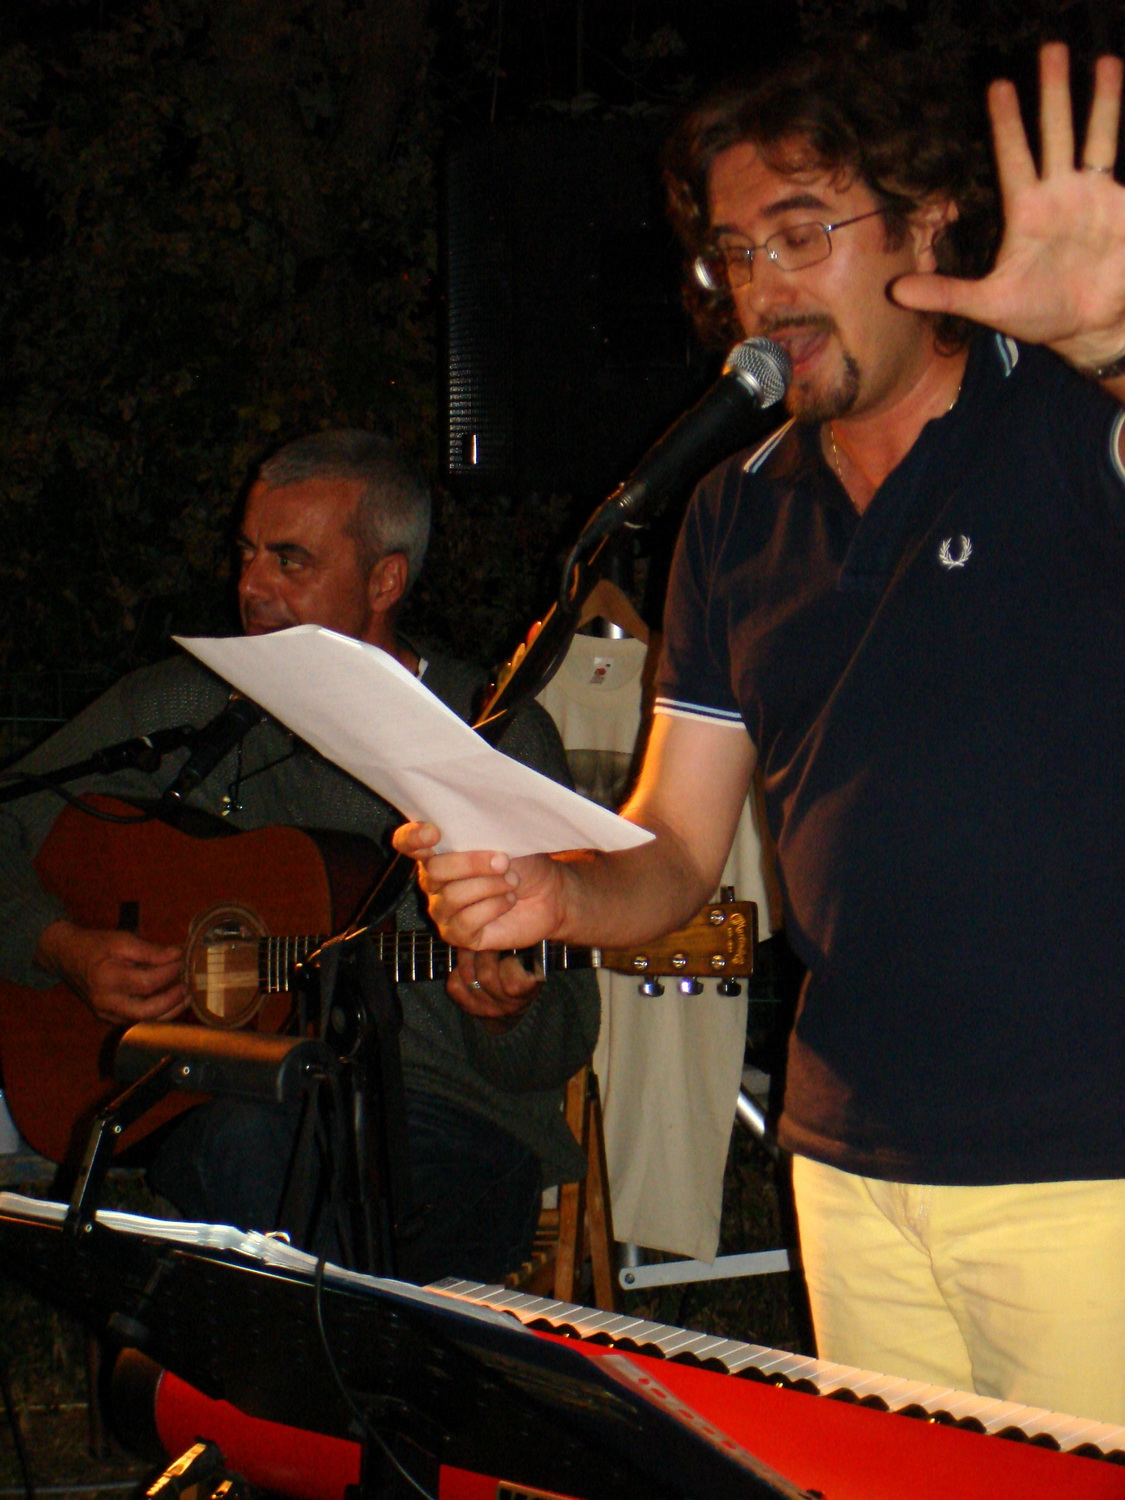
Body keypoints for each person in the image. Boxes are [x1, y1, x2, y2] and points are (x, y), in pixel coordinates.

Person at [396, 39, 1125, 1424]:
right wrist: (555, 893)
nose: (764, 288)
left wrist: (1110, 345)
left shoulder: (1069, 424)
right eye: (734, 254)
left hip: (1092, 1160)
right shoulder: (734, 511)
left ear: (925, 226)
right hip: (850, 1160)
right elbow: (677, 848)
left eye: (802, 234)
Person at [0, 429, 600, 1285]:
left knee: (262, 1162)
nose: (251, 586)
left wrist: (505, 1017)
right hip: (226, 1100)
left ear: (385, 581)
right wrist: (59, 946)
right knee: (250, 1145)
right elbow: (12, 815)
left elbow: (557, 1038)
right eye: (246, 553)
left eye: (290, 561)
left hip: (446, 1125)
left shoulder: (494, 735)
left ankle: (239, 1338)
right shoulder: (190, 702)